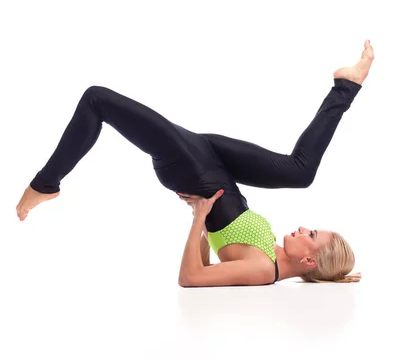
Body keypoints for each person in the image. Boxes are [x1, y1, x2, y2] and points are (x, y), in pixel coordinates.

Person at [16, 40, 374, 287]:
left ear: (310, 262)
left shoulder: (264, 270)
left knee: (97, 99)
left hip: (193, 169)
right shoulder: (270, 256)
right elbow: (211, 256)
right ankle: (345, 86)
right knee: (300, 172)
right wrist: (203, 226)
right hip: (212, 164)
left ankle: (46, 184)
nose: (302, 228)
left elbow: (193, 276)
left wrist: (199, 220)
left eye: (311, 235)